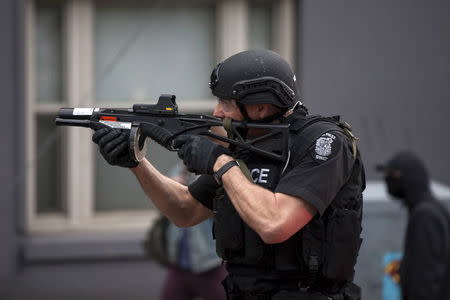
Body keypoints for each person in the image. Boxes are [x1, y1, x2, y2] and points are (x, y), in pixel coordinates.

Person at [92, 49, 365, 299]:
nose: (217, 112)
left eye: (226, 102)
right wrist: (136, 163)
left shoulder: (324, 143)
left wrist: (220, 163)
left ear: (260, 106)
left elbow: (276, 225)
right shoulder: (248, 145)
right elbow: (185, 211)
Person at [377, 151, 450, 300]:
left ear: (410, 179)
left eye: (392, 175)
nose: (386, 180)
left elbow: (425, 279)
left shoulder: (425, 215)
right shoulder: (432, 209)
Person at [160, 164, 227, 300]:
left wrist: (186, 193)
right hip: (179, 263)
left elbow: (222, 211)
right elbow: (163, 210)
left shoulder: (212, 171)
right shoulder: (177, 170)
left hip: (209, 263)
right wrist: (170, 191)